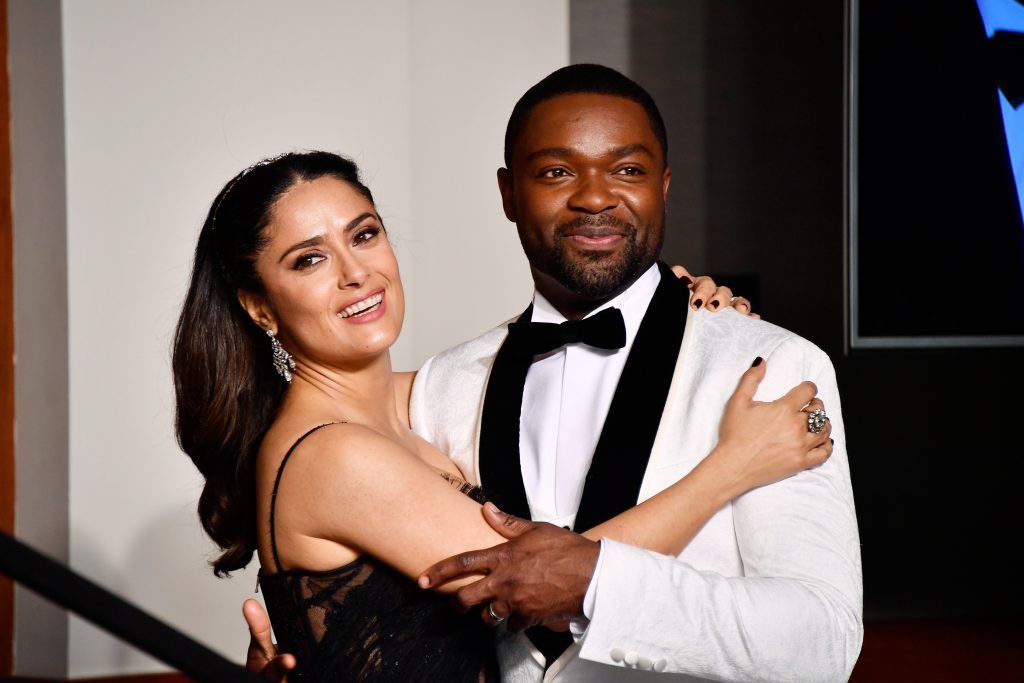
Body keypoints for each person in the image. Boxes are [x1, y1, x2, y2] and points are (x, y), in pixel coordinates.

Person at [247, 64, 862, 681]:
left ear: (664, 186)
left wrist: (597, 585)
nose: (595, 197)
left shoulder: (770, 369)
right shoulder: (443, 385)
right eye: (557, 172)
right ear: (509, 193)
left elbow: (824, 641)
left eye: (627, 170)